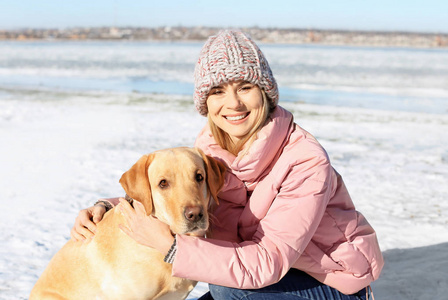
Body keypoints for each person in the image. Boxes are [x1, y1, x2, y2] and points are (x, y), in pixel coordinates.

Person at [71, 30, 384, 299]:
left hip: (335, 284)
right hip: (264, 275)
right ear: (205, 103)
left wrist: (173, 249)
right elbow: (182, 192)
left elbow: (267, 262)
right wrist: (110, 206)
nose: (233, 104)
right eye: (218, 91)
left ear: (266, 93)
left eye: (245, 87)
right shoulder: (208, 154)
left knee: (225, 290)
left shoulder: (305, 161)